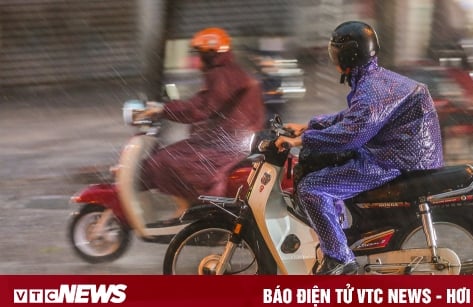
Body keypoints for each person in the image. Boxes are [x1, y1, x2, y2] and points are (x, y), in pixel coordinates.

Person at [275, 21, 444, 275]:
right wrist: (309, 125)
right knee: (327, 170)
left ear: (349, 55)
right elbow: (354, 117)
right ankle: (338, 234)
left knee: (312, 189)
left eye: (336, 52)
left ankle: (341, 259)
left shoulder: (371, 88)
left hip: (392, 160)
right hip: (398, 152)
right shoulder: (373, 79)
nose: (334, 59)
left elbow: (351, 135)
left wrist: (302, 140)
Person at [138, 27, 265, 217]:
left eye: (199, 54)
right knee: (173, 157)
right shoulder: (229, 72)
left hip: (226, 145)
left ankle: (195, 211)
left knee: (163, 161)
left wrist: (162, 110)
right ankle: (193, 209)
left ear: (209, 55)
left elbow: (200, 108)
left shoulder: (222, 75)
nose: (196, 60)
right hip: (229, 140)